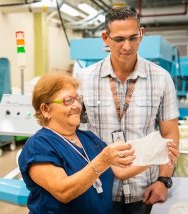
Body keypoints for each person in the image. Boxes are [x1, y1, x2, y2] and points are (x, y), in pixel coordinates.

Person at [77, 6, 180, 214]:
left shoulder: (161, 78)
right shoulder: (84, 79)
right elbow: (73, 133)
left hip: (143, 190)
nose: (127, 46)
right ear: (106, 38)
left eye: (133, 38)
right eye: (119, 39)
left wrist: (163, 180)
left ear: (141, 34)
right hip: (98, 189)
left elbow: (170, 134)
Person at [19, 73, 151, 214]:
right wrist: (103, 160)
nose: (77, 105)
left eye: (78, 99)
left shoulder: (88, 138)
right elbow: (63, 191)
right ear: (45, 110)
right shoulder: (39, 145)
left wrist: (156, 156)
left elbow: (120, 170)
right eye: (68, 100)